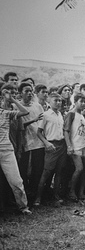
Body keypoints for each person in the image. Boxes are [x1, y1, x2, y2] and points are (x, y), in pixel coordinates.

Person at [0, 83, 31, 214]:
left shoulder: (6, 113)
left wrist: (12, 99)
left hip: (6, 149)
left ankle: (23, 207)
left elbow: (25, 112)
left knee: (16, 180)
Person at [34, 93, 67, 206]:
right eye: (55, 100)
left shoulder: (60, 115)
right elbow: (38, 132)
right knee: (46, 172)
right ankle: (38, 198)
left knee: (59, 172)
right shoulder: (45, 115)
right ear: (49, 101)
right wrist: (46, 143)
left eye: (60, 101)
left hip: (61, 145)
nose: (58, 103)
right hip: (51, 145)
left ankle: (56, 196)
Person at [64, 93, 85, 201]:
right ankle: (71, 192)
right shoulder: (71, 114)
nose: (83, 104)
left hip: (83, 145)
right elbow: (66, 131)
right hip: (74, 146)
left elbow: (82, 131)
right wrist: (69, 146)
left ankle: (81, 192)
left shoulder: (82, 115)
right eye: (81, 101)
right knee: (79, 168)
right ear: (75, 102)